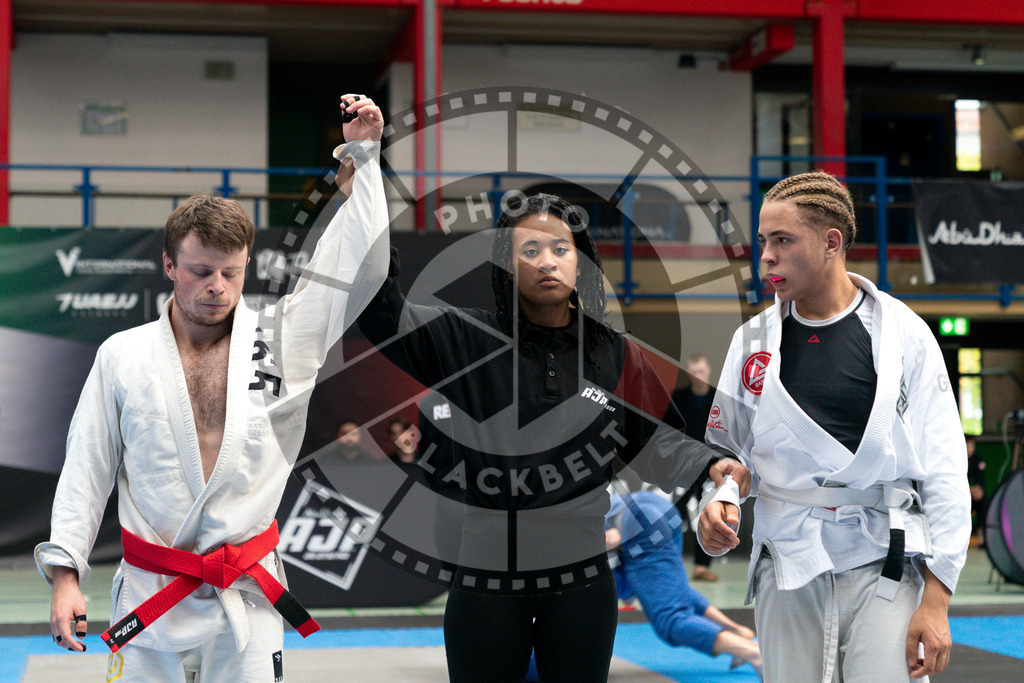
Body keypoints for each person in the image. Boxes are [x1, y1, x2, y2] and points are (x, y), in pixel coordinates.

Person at [35, 95, 390, 680]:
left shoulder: (284, 340)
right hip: (153, 594)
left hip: (247, 597)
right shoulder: (122, 355)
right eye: (200, 271)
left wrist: (366, 156)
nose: (217, 287)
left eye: (232, 272)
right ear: (170, 266)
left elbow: (360, 266)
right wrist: (67, 576)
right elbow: (87, 468)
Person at [357, 192, 750, 682]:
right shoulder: (465, 339)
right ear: (506, 263)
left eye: (561, 250)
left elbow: (659, 445)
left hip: (582, 578)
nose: (547, 262)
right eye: (530, 250)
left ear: (581, 261)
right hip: (486, 573)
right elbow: (380, 312)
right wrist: (366, 189)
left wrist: (714, 468)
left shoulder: (615, 354)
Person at [698, 170, 971, 682]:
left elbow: (944, 469)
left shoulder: (903, 333)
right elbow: (727, 456)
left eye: (783, 240)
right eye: (763, 242)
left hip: (884, 556)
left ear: (831, 242)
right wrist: (720, 504)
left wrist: (937, 599)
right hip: (787, 553)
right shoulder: (751, 341)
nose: (767, 257)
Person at [605, 490, 762, 674]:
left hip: (638, 522)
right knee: (673, 589)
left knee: (669, 617)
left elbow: (610, 538)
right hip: (659, 509)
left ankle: (752, 652)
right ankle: (737, 632)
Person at [671, 353, 718, 581]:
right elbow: (667, 428)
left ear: (708, 371)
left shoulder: (719, 398)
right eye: (693, 372)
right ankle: (669, 563)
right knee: (674, 514)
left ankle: (701, 567)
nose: (697, 376)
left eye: (701, 371)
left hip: (710, 465)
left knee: (707, 513)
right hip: (683, 464)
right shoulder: (678, 398)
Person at [965, 435, 986, 548]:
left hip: (974, 496)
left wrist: (978, 490)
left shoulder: (978, 459)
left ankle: (980, 534)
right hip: (962, 495)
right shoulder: (958, 460)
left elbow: (980, 479)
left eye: (972, 446)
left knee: (983, 501)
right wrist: (969, 490)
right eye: (968, 446)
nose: (970, 449)